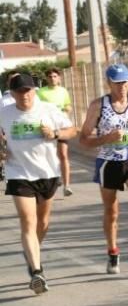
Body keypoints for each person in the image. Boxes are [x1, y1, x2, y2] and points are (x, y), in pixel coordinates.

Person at [0, 74, 76, 293]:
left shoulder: (49, 110)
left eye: (29, 91)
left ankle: (32, 251)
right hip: (19, 174)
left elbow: (72, 130)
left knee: (42, 223)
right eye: (20, 92)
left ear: (35, 90)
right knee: (28, 220)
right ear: (12, 94)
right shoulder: (4, 114)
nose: (25, 96)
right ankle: (36, 271)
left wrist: (55, 133)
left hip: (48, 173)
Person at [78, 64, 128, 274]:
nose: (122, 86)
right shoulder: (98, 106)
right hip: (108, 162)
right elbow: (83, 139)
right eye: (118, 83)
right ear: (108, 83)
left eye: (125, 82)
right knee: (112, 210)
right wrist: (106, 138)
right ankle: (112, 252)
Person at [37, 67, 74, 197]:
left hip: (61, 127)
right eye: (50, 77)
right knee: (50, 154)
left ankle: (67, 185)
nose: (52, 79)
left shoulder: (63, 91)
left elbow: (68, 106)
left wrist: (65, 111)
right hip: (48, 128)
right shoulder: (41, 92)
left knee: (63, 154)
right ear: (46, 79)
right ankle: (54, 176)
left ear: (59, 78)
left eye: (54, 76)